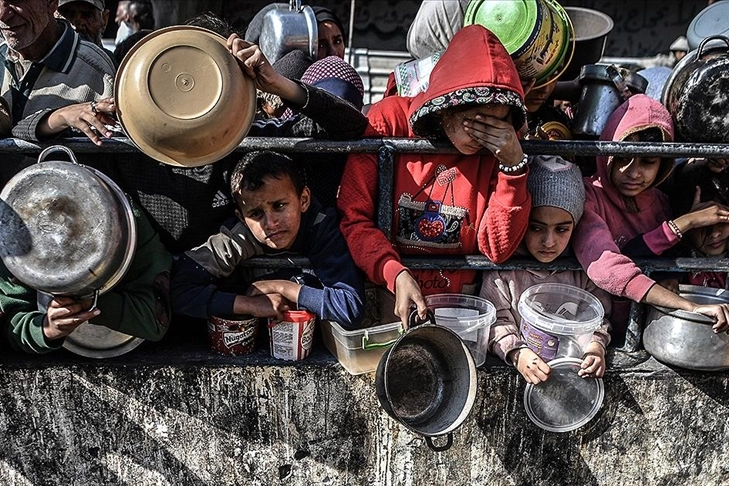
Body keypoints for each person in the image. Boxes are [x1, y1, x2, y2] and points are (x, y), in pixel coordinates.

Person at [337, 25, 530, 327]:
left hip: (460, 306)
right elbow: (354, 218)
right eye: (473, 122)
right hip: (389, 294)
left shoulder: (500, 148)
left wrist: (513, 167)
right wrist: (393, 272)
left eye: (498, 124)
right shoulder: (389, 123)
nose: (485, 135)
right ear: (445, 109)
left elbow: (496, 248)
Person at [571, 94, 729, 341]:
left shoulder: (660, 201)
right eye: (622, 158)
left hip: (647, 331)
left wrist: (670, 275)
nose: (633, 173)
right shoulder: (588, 196)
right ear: (607, 152)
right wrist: (689, 306)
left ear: (662, 165)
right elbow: (608, 267)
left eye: (648, 161)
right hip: (593, 333)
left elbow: (671, 254)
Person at [170, 150, 365, 329]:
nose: (270, 223)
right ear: (241, 217)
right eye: (256, 213)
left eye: (279, 206)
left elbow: (349, 308)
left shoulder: (320, 227)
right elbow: (178, 291)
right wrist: (249, 304)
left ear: (303, 199)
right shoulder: (236, 237)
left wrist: (280, 286)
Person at [481, 156, 612, 384]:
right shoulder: (504, 272)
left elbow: (596, 316)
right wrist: (516, 353)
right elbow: (496, 320)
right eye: (536, 228)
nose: (549, 242)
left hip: (568, 372)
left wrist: (595, 347)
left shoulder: (583, 270)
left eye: (561, 229)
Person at [0, 195, 172, 354]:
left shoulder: (121, 213)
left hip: (119, 341)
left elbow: (153, 320)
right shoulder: (7, 228)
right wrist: (46, 329)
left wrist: (86, 299)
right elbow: (13, 320)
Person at [0, 0, 115, 145]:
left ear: (51, 3)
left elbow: (119, 159)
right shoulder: (2, 54)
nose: (2, 15)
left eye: (16, 1)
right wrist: (56, 118)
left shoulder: (98, 72)